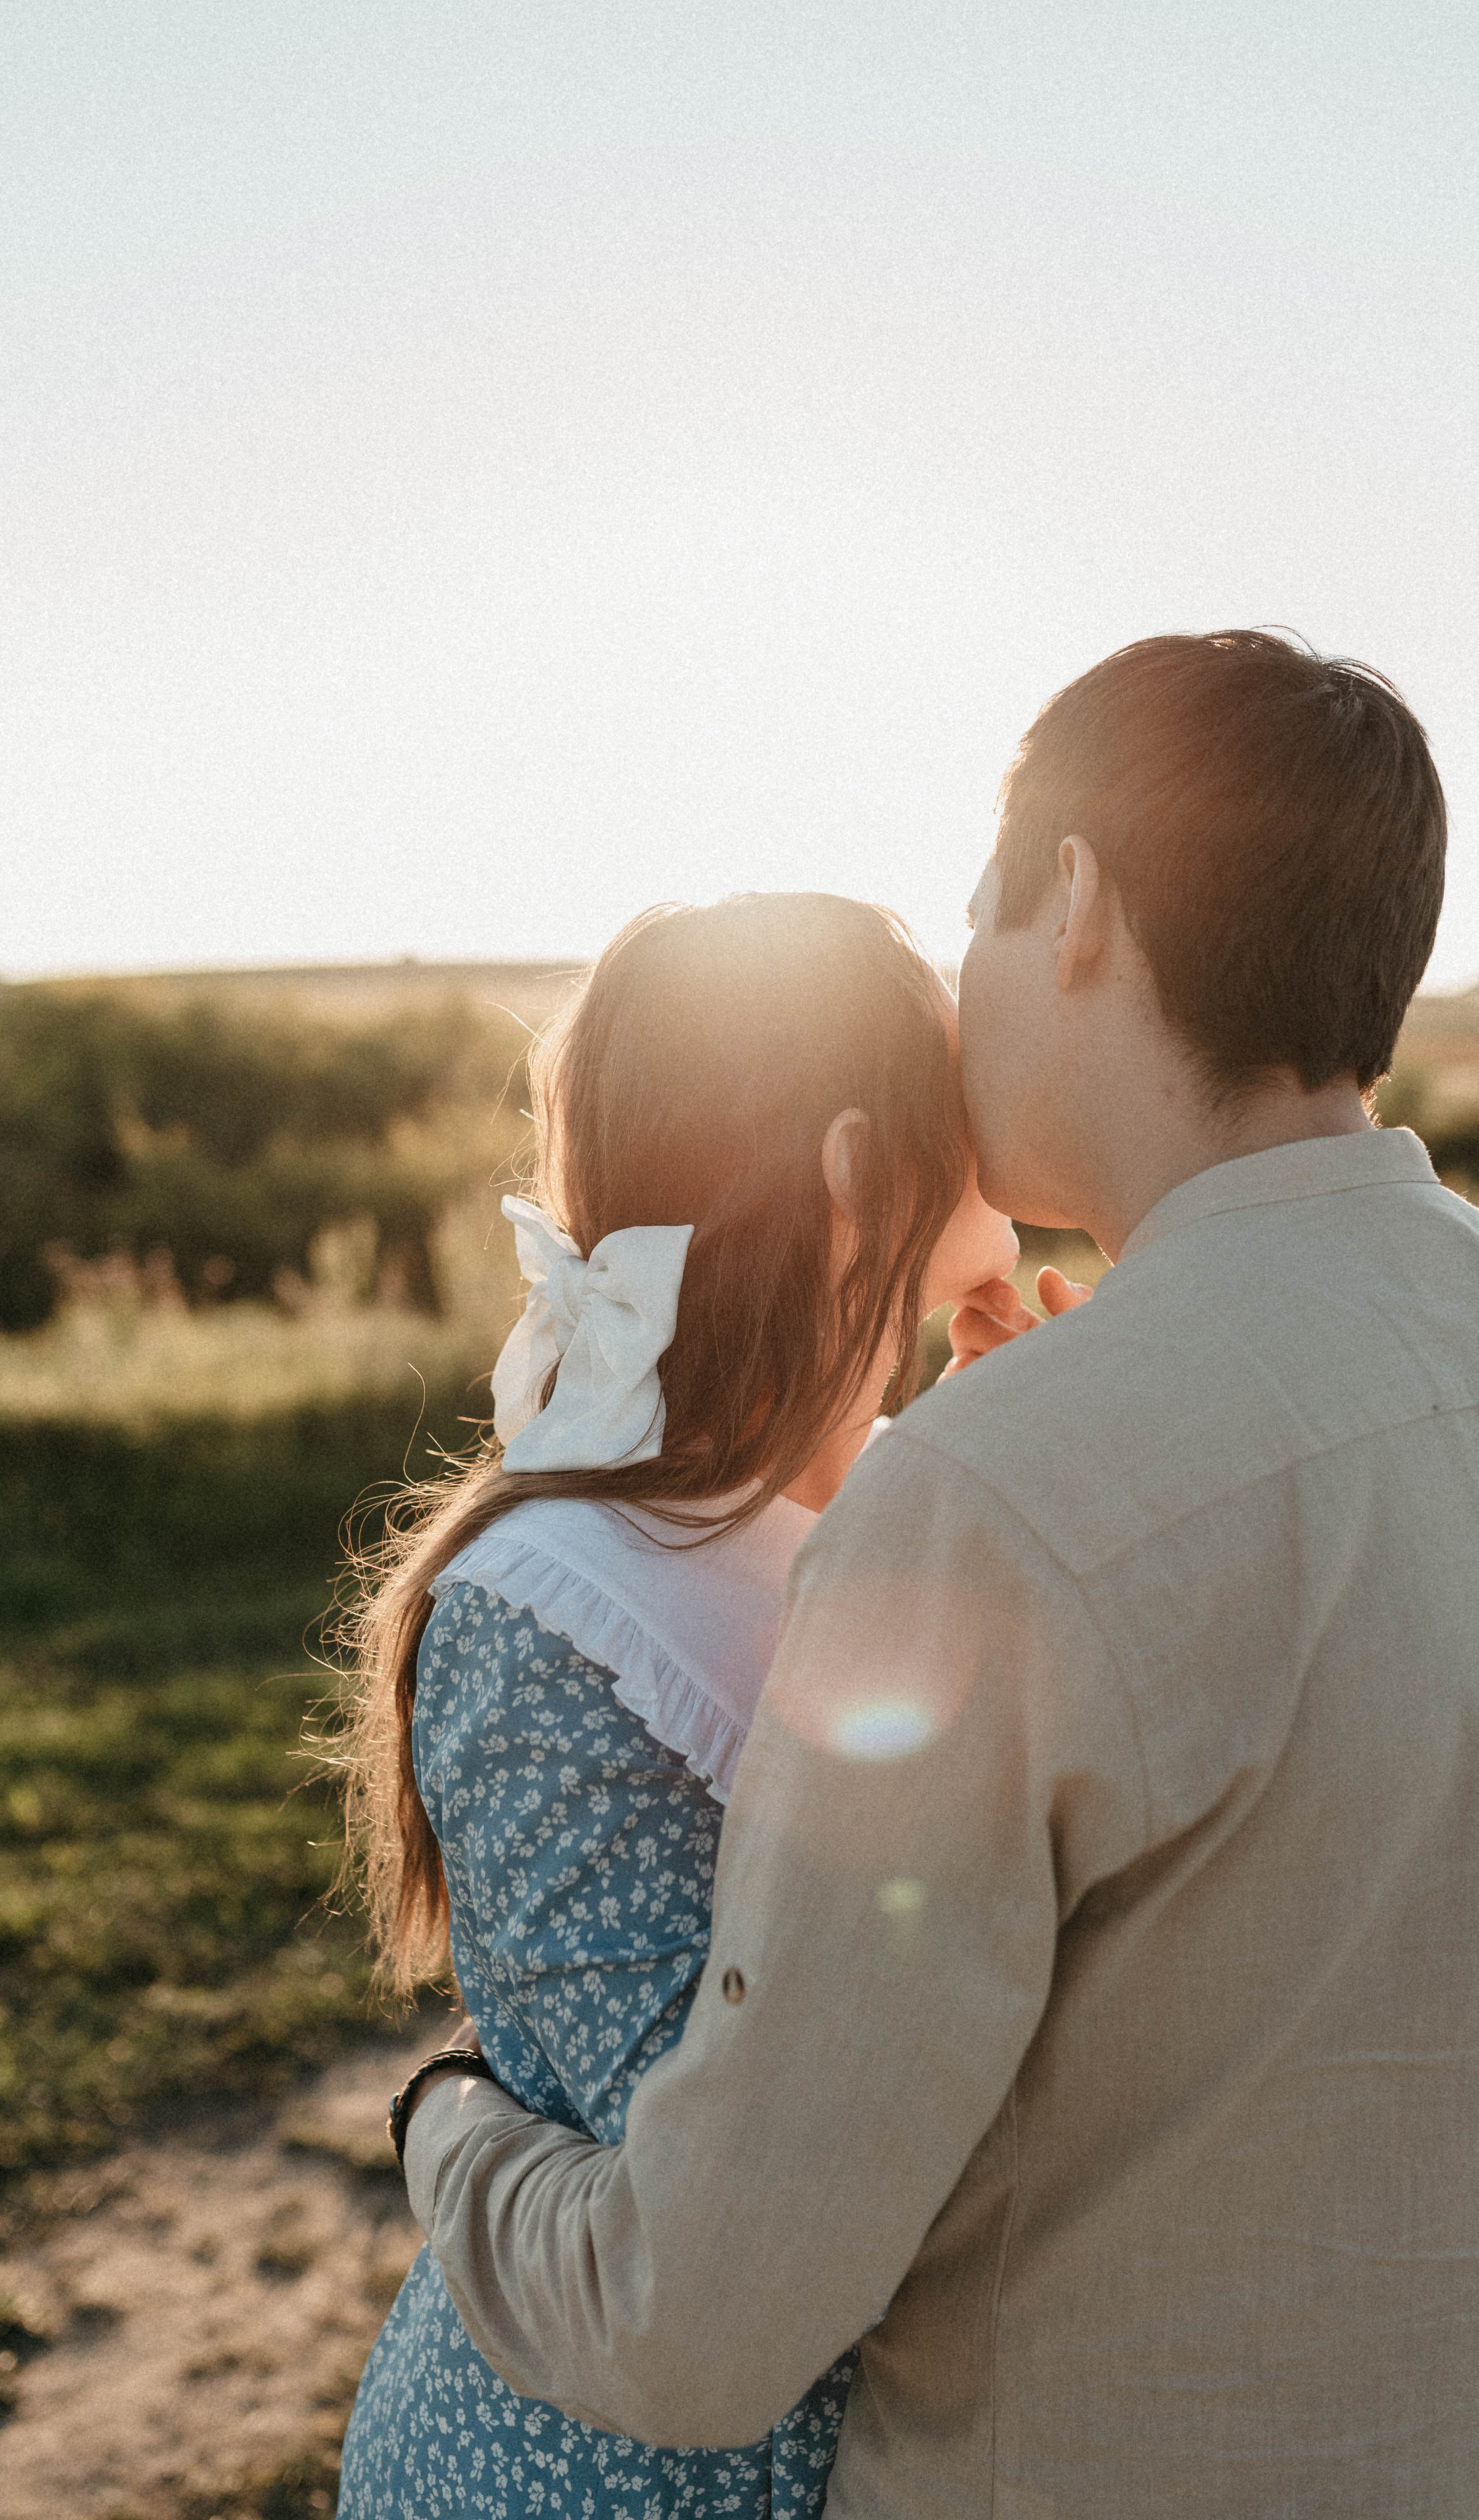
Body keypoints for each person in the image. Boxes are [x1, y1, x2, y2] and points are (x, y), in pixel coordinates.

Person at [390, 631, 1479, 2515]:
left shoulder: (988, 1498)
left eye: (976, 913)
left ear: (1073, 904)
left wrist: (449, 2129)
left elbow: (700, 2322)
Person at [335, 891, 1033, 2519]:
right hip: (595, 2473)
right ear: (858, 1173)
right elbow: (731, 2185)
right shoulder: (555, 1611)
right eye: (957, 1104)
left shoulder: (894, 1505)